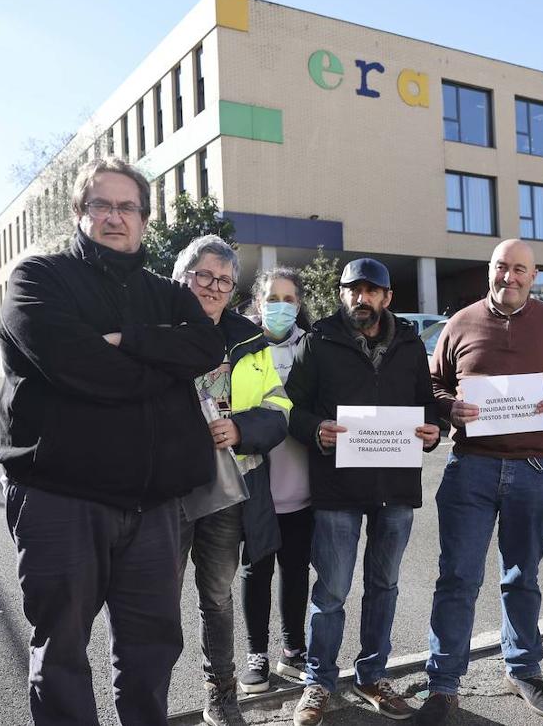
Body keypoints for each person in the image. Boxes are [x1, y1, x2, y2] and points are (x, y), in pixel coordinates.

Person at [0, 157, 224, 726]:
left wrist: (127, 340)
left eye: (127, 207)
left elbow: (205, 348)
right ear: (80, 213)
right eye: (101, 205)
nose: (115, 217)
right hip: (60, 498)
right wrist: (159, 368)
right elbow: (79, 366)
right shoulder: (37, 280)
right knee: (63, 649)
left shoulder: (168, 294)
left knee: (152, 648)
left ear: (144, 219)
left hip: (153, 508)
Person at [417, 239, 543, 725]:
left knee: (522, 576)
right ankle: (443, 685)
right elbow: (432, 383)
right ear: (490, 270)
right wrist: (447, 406)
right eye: (503, 267)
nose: (510, 277)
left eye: (520, 269)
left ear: (533, 274)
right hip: (471, 467)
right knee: (457, 577)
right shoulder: (460, 323)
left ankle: (522, 669)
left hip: (536, 469)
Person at [285, 257, 441, 726]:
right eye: (354, 290)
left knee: (384, 586)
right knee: (331, 590)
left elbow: (427, 405)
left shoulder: (411, 344)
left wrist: (433, 428)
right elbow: (291, 407)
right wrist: (316, 429)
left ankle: (372, 676)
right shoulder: (318, 343)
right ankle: (318, 681)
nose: (361, 298)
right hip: (338, 486)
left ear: (387, 298)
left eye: (371, 291)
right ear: (341, 294)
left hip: (395, 486)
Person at [171, 236, 292, 726]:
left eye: (224, 280)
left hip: (226, 490)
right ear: (184, 278)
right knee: (153, 597)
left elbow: (279, 410)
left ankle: (220, 694)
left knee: (216, 597)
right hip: (167, 490)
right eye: (204, 276)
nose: (214, 288)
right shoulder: (158, 329)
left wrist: (241, 428)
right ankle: (145, 692)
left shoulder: (250, 340)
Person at [238, 267, 315, 694]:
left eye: (289, 299)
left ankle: (293, 650)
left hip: (302, 483)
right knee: (256, 569)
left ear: (299, 305)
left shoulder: (312, 347)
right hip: (255, 483)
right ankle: (256, 653)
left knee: (296, 569)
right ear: (258, 303)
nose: (280, 307)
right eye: (272, 299)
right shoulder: (240, 347)